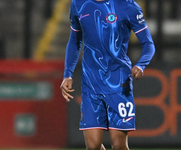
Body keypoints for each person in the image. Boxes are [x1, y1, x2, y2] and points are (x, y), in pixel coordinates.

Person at [60, 0, 155, 149]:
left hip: (119, 83)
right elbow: (74, 40)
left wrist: (141, 64)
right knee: (93, 146)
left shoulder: (128, 6)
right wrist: (68, 74)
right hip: (90, 83)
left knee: (118, 145)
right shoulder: (78, 4)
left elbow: (148, 44)